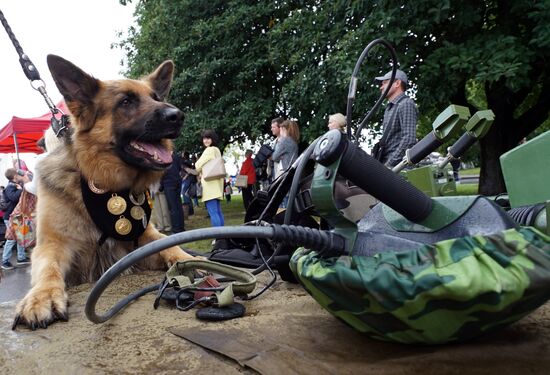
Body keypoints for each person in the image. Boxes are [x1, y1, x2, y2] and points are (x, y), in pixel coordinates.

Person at [374, 69, 418, 168]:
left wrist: (389, 164)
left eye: (385, 83)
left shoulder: (406, 104)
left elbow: (409, 139)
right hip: (389, 165)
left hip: (399, 168)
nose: (381, 87)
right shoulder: (390, 108)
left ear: (397, 83)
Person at [1, 168, 31, 270]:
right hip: (10, 217)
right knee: (11, 239)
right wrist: (21, 189)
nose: (20, 176)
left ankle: (21, 258)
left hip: (16, 217)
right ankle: (5, 261)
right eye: (18, 175)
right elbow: (14, 197)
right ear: (15, 177)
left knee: (20, 237)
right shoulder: (10, 187)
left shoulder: (16, 186)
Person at [195, 129, 225, 227]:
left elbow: (197, 165)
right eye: (204, 138)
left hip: (209, 185)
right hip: (217, 184)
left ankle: (218, 237)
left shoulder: (209, 150)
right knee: (218, 211)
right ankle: (223, 236)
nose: (205, 141)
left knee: (213, 212)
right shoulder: (216, 150)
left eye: (208, 138)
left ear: (212, 139)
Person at [271, 120, 300, 208]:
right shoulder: (294, 141)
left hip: (284, 172)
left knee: (282, 199)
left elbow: (275, 157)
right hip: (292, 172)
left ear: (284, 129)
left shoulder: (284, 141)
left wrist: (278, 156)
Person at [160, 151, 185, 233]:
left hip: (169, 184)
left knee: (173, 208)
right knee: (178, 206)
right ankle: (181, 227)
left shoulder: (164, 158)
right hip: (177, 182)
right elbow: (179, 169)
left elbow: (162, 172)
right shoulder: (177, 157)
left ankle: (176, 229)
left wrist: (161, 185)